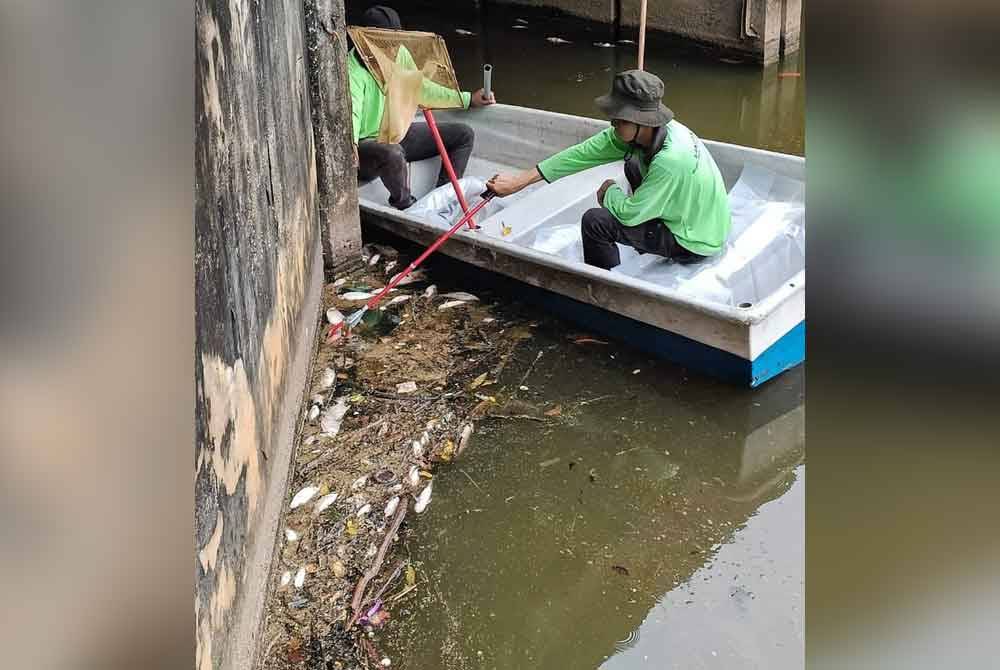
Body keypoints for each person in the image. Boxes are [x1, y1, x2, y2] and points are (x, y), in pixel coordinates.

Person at [487, 70, 731, 270]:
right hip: (700, 218)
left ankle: (611, 284)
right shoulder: (659, 131)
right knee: (633, 165)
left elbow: (629, 215)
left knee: (596, 222)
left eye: (620, 120)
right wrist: (519, 181)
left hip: (695, 241)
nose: (612, 125)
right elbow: (579, 155)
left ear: (643, 123)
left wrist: (609, 193)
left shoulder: (671, 160)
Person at [349, 5, 496, 209]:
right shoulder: (352, 70)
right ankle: (406, 205)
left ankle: (443, 198)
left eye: (394, 40)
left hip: (395, 133)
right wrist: (351, 145)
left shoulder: (399, 54)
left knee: (463, 134)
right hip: (366, 148)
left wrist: (468, 99)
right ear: (366, 40)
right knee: (392, 153)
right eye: (384, 41)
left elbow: (422, 88)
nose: (392, 47)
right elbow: (351, 111)